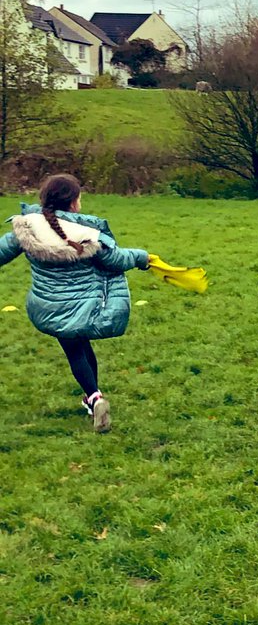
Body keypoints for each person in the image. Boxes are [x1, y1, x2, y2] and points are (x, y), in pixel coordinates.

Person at [0, 173, 151, 433]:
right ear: (74, 203)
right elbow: (118, 260)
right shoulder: (88, 235)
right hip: (86, 307)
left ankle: (93, 398)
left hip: (48, 308)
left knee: (75, 348)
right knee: (81, 345)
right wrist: (142, 257)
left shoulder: (26, 228)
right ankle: (94, 397)